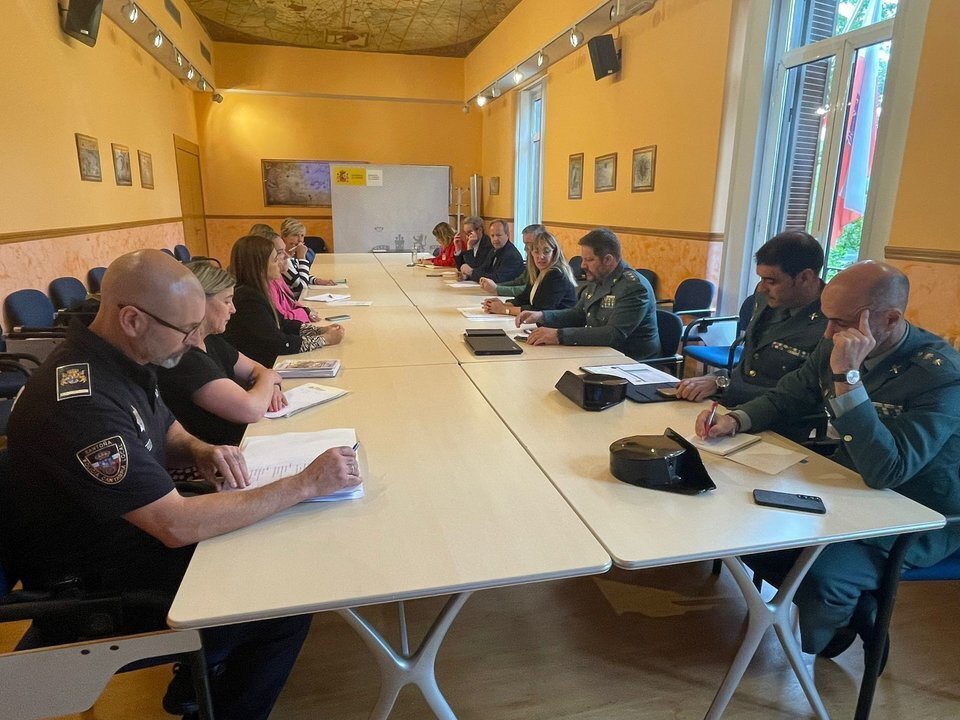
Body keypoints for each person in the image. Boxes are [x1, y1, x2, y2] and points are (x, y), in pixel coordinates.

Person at [2, 249, 362, 720]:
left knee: (274, 548)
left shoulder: (121, 356)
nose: (196, 341)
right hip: (95, 588)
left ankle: (203, 676)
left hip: (129, 540)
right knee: (282, 602)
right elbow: (173, 525)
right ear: (132, 319)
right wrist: (304, 484)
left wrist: (199, 449)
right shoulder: (80, 401)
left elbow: (162, 425)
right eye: (186, 330)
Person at [696, 261, 960, 658]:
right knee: (744, 531)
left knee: (821, 576)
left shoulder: (938, 375)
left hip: (915, 511)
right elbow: (790, 395)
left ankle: (837, 631)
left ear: (891, 319)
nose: (828, 332)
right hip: (846, 486)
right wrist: (736, 420)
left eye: (841, 322)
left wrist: (848, 378)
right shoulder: (837, 339)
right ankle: (854, 604)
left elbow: (888, 470)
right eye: (826, 318)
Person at [678, 231, 827, 419]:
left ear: (805, 277)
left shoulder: (831, 322)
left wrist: (723, 386)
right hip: (733, 409)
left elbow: (802, 396)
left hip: (780, 423)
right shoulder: (766, 298)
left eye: (771, 281)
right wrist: (717, 378)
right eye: (761, 278)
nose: (762, 288)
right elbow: (749, 365)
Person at [157, 260, 286, 447]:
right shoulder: (184, 359)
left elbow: (256, 369)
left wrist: (270, 385)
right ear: (199, 303)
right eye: (226, 301)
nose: (233, 309)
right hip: (219, 454)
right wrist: (270, 377)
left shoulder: (211, 340)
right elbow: (250, 409)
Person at [516, 228, 660, 360]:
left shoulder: (633, 287)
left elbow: (613, 334)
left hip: (631, 362)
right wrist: (542, 316)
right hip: (600, 354)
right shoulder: (599, 277)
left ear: (608, 259)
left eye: (589, 260)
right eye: (583, 259)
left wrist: (558, 335)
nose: (582, 265)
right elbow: (579, 314)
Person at [223, 235, 344, 368]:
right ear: (260, 267)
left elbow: (283, 324)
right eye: (275, 260)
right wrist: (325, 339)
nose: (280, 262)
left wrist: (319, 330)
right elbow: (279, 343)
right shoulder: (248, 300)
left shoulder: (257, 291)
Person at [482, 230, 577, 316]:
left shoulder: (557, 275)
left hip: (559, 327)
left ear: (555, 253)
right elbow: (524, 298)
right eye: (536, 252)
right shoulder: (538, 271)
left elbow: (539, 310)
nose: (541, 256)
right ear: (531, 253)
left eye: (546, 252)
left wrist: (504, 310)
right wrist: (501, 305)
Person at [479, 223, 543, 297]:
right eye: (525, 244)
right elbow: (521, 280)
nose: (525, 248)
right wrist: (496, 286)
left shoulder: (542, 262)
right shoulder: (531, 258)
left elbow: (529, 289)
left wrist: (497, 289)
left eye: (529, 243)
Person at [279, 218, 335, 295]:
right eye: (295, 235)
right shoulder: (283, 259)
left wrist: (316, 280)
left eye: (302, 235)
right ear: (284, 236)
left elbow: (299, 274)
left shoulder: (292, 256)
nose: (300, 240)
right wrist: (302, 257)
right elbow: (302, 286)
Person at [459, 219, 524, 283]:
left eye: (498, 235)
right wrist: (467, 276)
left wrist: (471, 272)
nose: (495, 239)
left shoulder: (511, 255)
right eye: (492, 236)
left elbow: (497, 278)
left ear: (507, 235)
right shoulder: (493, 250)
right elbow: (483, 270)